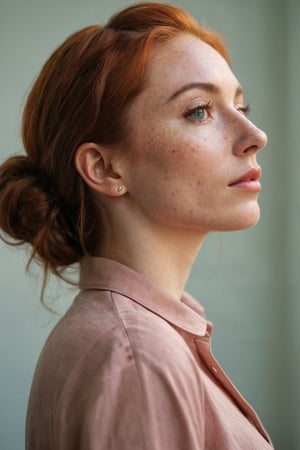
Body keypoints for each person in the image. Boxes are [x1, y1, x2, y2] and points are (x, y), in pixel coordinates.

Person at [0, 2, 273, 449]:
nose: (255, 135)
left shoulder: (128, 338)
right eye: (199, 110)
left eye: (241, 105)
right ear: (105, 169)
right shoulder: (138, 358)